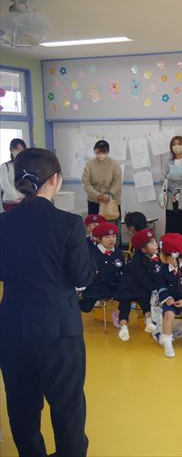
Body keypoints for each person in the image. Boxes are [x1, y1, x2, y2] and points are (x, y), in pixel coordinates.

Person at [0, 148, 95, 457]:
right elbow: (81, 276)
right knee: (67, 405)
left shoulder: (3, 224)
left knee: (22, 406)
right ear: (55, 179)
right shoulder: (68, 224)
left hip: (12, 328)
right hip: (58, 329)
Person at [113, 229, 160, 341]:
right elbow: (144, 280)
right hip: (128, 288)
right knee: (124, 304)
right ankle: (124, 327)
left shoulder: (155, 258)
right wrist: (155, 290)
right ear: (143, 249)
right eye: (152, 243)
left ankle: (149, 321)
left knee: (145, 300)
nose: (156, 244)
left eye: (155, 241)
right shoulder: (137, 262)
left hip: (140, 288)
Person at [156, 233, 182, 358]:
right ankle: (167, 342)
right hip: (170, 301)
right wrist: (167, 298)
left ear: (171, 257)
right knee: (168, 315)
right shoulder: (163, 269)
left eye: (161, 253)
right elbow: (160, 285)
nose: (159, 255)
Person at [79, 223, 124, 313]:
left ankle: (119, 316)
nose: (111, 239)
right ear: (99, 239)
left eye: (114, 236)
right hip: (97, 286)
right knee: (86, 307)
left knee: (126, 297)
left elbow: (122, 269)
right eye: (107, 237)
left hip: (115, 285)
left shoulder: (118, 252)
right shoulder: (92, 253)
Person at [162, 135, 182, 241]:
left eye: (179, 144)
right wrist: (177, 177)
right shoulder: (168, 161)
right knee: (171, 230)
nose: (176, 146)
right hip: (171, 200)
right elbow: (163, 178)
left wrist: (171, 176)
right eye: (174, 144)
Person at [81, 139, 122, 216]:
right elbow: (86, 184)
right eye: (98, 152)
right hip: (94, 201)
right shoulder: (89, 164)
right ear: (94, 151)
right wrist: (98, 195)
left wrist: (108, 195)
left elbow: (117, 183)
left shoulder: (115, 164)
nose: (101, 154)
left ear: (108, 152)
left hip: (111, 201)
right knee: (94, 223)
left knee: (111, 223)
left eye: (104, 152)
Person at [0, 138, 26, 211]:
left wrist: (23, 198)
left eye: (22, 149)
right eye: (17, 149)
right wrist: (16, 198)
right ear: (11, 150)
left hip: (24, 201)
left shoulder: (27, 166)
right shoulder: (5, 166)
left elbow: (28, 183)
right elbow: (5, 184)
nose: (20, 151)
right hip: (10, 202)